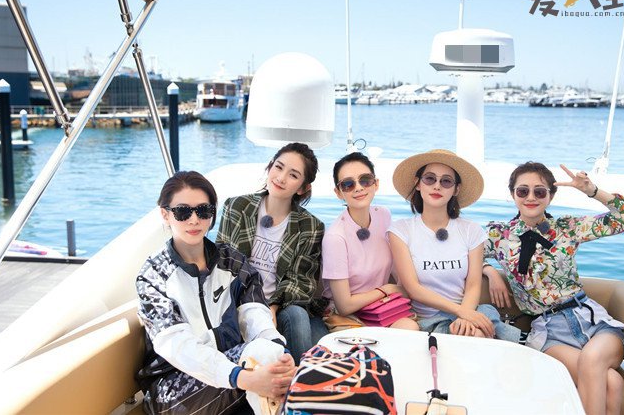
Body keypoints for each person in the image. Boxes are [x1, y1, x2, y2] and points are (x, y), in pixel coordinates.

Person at [483, 162, 624, 415]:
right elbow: (463, 254)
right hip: (549, 332)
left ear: (551, 195)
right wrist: (489, 270)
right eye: (523, 191)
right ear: (512, 194)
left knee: (593, 360)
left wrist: (592, 191)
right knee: (611, 382)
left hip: (590, 320)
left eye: (539, 191)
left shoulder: (567, 228)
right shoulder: (499, 236)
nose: (531, 197)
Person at [136, 171, 295, 415]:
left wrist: (279, 352)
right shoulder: (154, 275)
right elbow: (178, 347)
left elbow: (255, 316)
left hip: (231, 373)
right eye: (182, 212)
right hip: (173, 388)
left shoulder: (232, 261)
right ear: (165, 214)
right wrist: (241, 377)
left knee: (269, 352)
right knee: (263, 360)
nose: (194, 220)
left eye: (203, 210)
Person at [387, 149, 520, 341]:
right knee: (405, 331)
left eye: (446, 181)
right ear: (418, 184)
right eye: (430, 179)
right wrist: (461, 312)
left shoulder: (471, 230)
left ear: (456, 189)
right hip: (423, 319)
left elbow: (473, 285)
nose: (437, 186)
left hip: (464, 314)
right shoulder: (401, 230)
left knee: (473, 334)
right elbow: (413, 288)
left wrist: (464, 315)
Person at [217, 142, 328, 364]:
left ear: (302, 188)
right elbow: (222, 261)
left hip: (282, 305)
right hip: (238, 300)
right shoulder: (237, 206)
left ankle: (300, 379)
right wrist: (253, 308)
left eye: (293, 175)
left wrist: (272, 307)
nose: (281, 177)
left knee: (298, 316)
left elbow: (301, 281)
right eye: (278, 167)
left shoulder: (311, 226)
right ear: (270, 167)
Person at [321, 152, 419, 330]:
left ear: (376, 184)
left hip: (382, 307)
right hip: (349, 316)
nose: (358, 188)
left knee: (409, 328)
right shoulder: (335, 238)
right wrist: (385, 290)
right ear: (338, 192)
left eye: (365, 180)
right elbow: (344, 306)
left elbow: (396, 266)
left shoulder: (383, 215)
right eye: (348, 184)